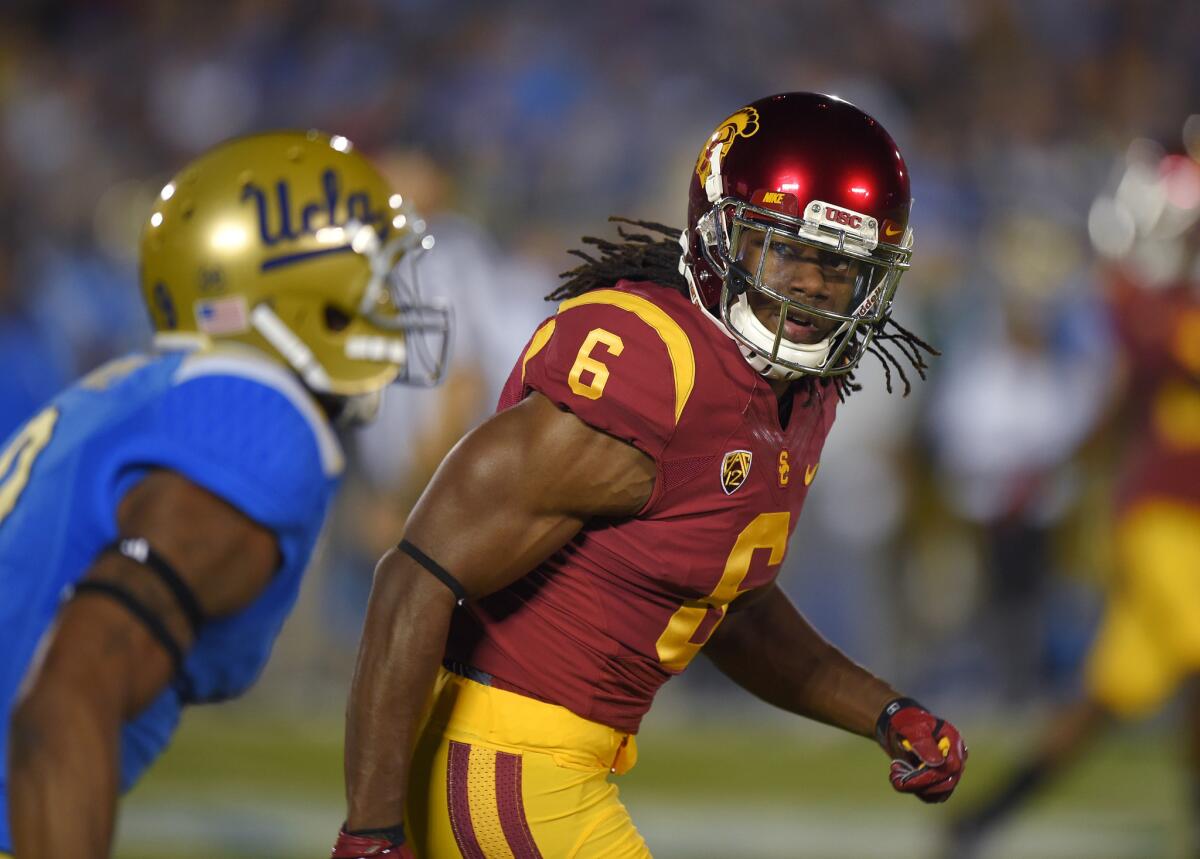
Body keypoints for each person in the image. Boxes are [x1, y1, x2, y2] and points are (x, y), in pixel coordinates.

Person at [332, 92, 968, 859]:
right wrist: (369, 831)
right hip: (505, 760)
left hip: (547, 768)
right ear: (718, 236)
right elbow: (415, 574)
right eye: (785, 249)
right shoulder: (651, 362)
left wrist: (882, 708)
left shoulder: (797, 389)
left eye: (839, 265)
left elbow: (731, 604)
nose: (811, 284)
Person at [1, 129, 450, 858]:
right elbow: (65, 700)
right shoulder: (257, 417)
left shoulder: (152, 391)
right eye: (371, 274)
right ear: (291, 283)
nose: (392, 303)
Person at [946, 135, 1200, 857]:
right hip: (1167, 519)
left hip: (1183, 524)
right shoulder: (1149, 303)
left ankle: (981, 817)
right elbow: (1127, 367)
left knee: (1104, 699)